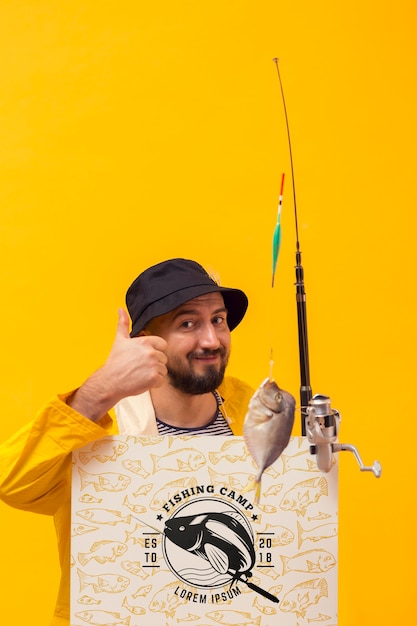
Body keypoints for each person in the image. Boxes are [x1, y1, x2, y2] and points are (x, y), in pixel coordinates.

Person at [0, 258, 254, 626]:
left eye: (218, 320)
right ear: (145, 343)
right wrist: (99, 393)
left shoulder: (255, 414)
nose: (211, 340)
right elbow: (14, 484)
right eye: (188, 323)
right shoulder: (99, 427)